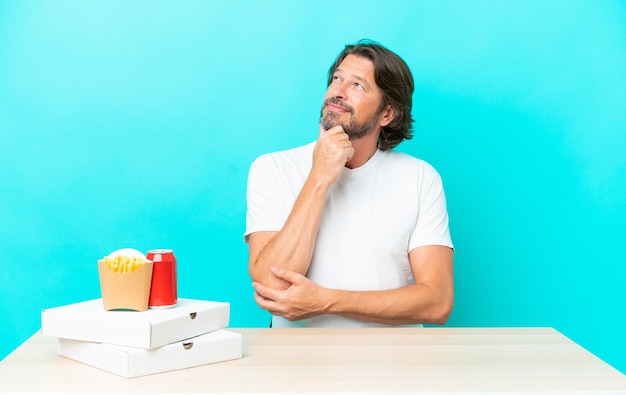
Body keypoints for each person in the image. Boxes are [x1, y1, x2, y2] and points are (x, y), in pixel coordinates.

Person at [244, 40, 454, 328]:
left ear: (387, 114)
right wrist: (319, 176)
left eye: (357, 86)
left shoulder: (419, 178)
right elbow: (272, 286)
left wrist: (326, 301)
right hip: (296, 365)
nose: (337, 93)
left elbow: (437, 302)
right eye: (337, 79)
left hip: (392, 364)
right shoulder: (272, 169)